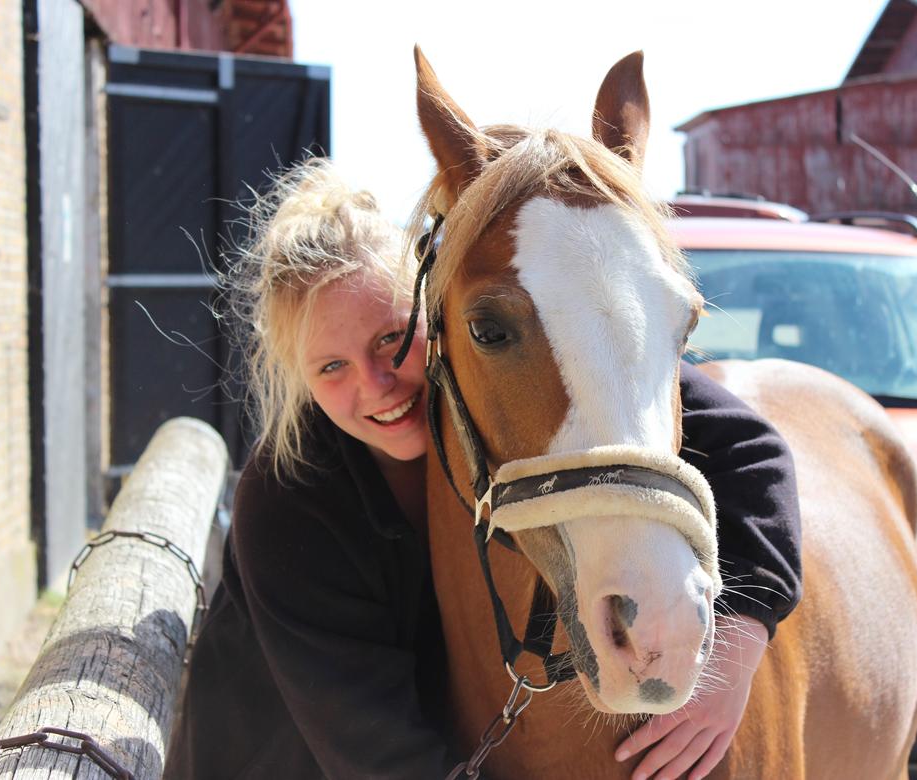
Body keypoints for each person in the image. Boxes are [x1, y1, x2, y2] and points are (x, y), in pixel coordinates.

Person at [165, 158, 802, 780]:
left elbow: (752, 448)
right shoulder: (289, 502)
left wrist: (742, 641)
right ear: (302, 380)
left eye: (390, 339)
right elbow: (371, 749)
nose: (376, 384)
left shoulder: (488, 375)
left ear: (435, 314)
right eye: (332, 367)